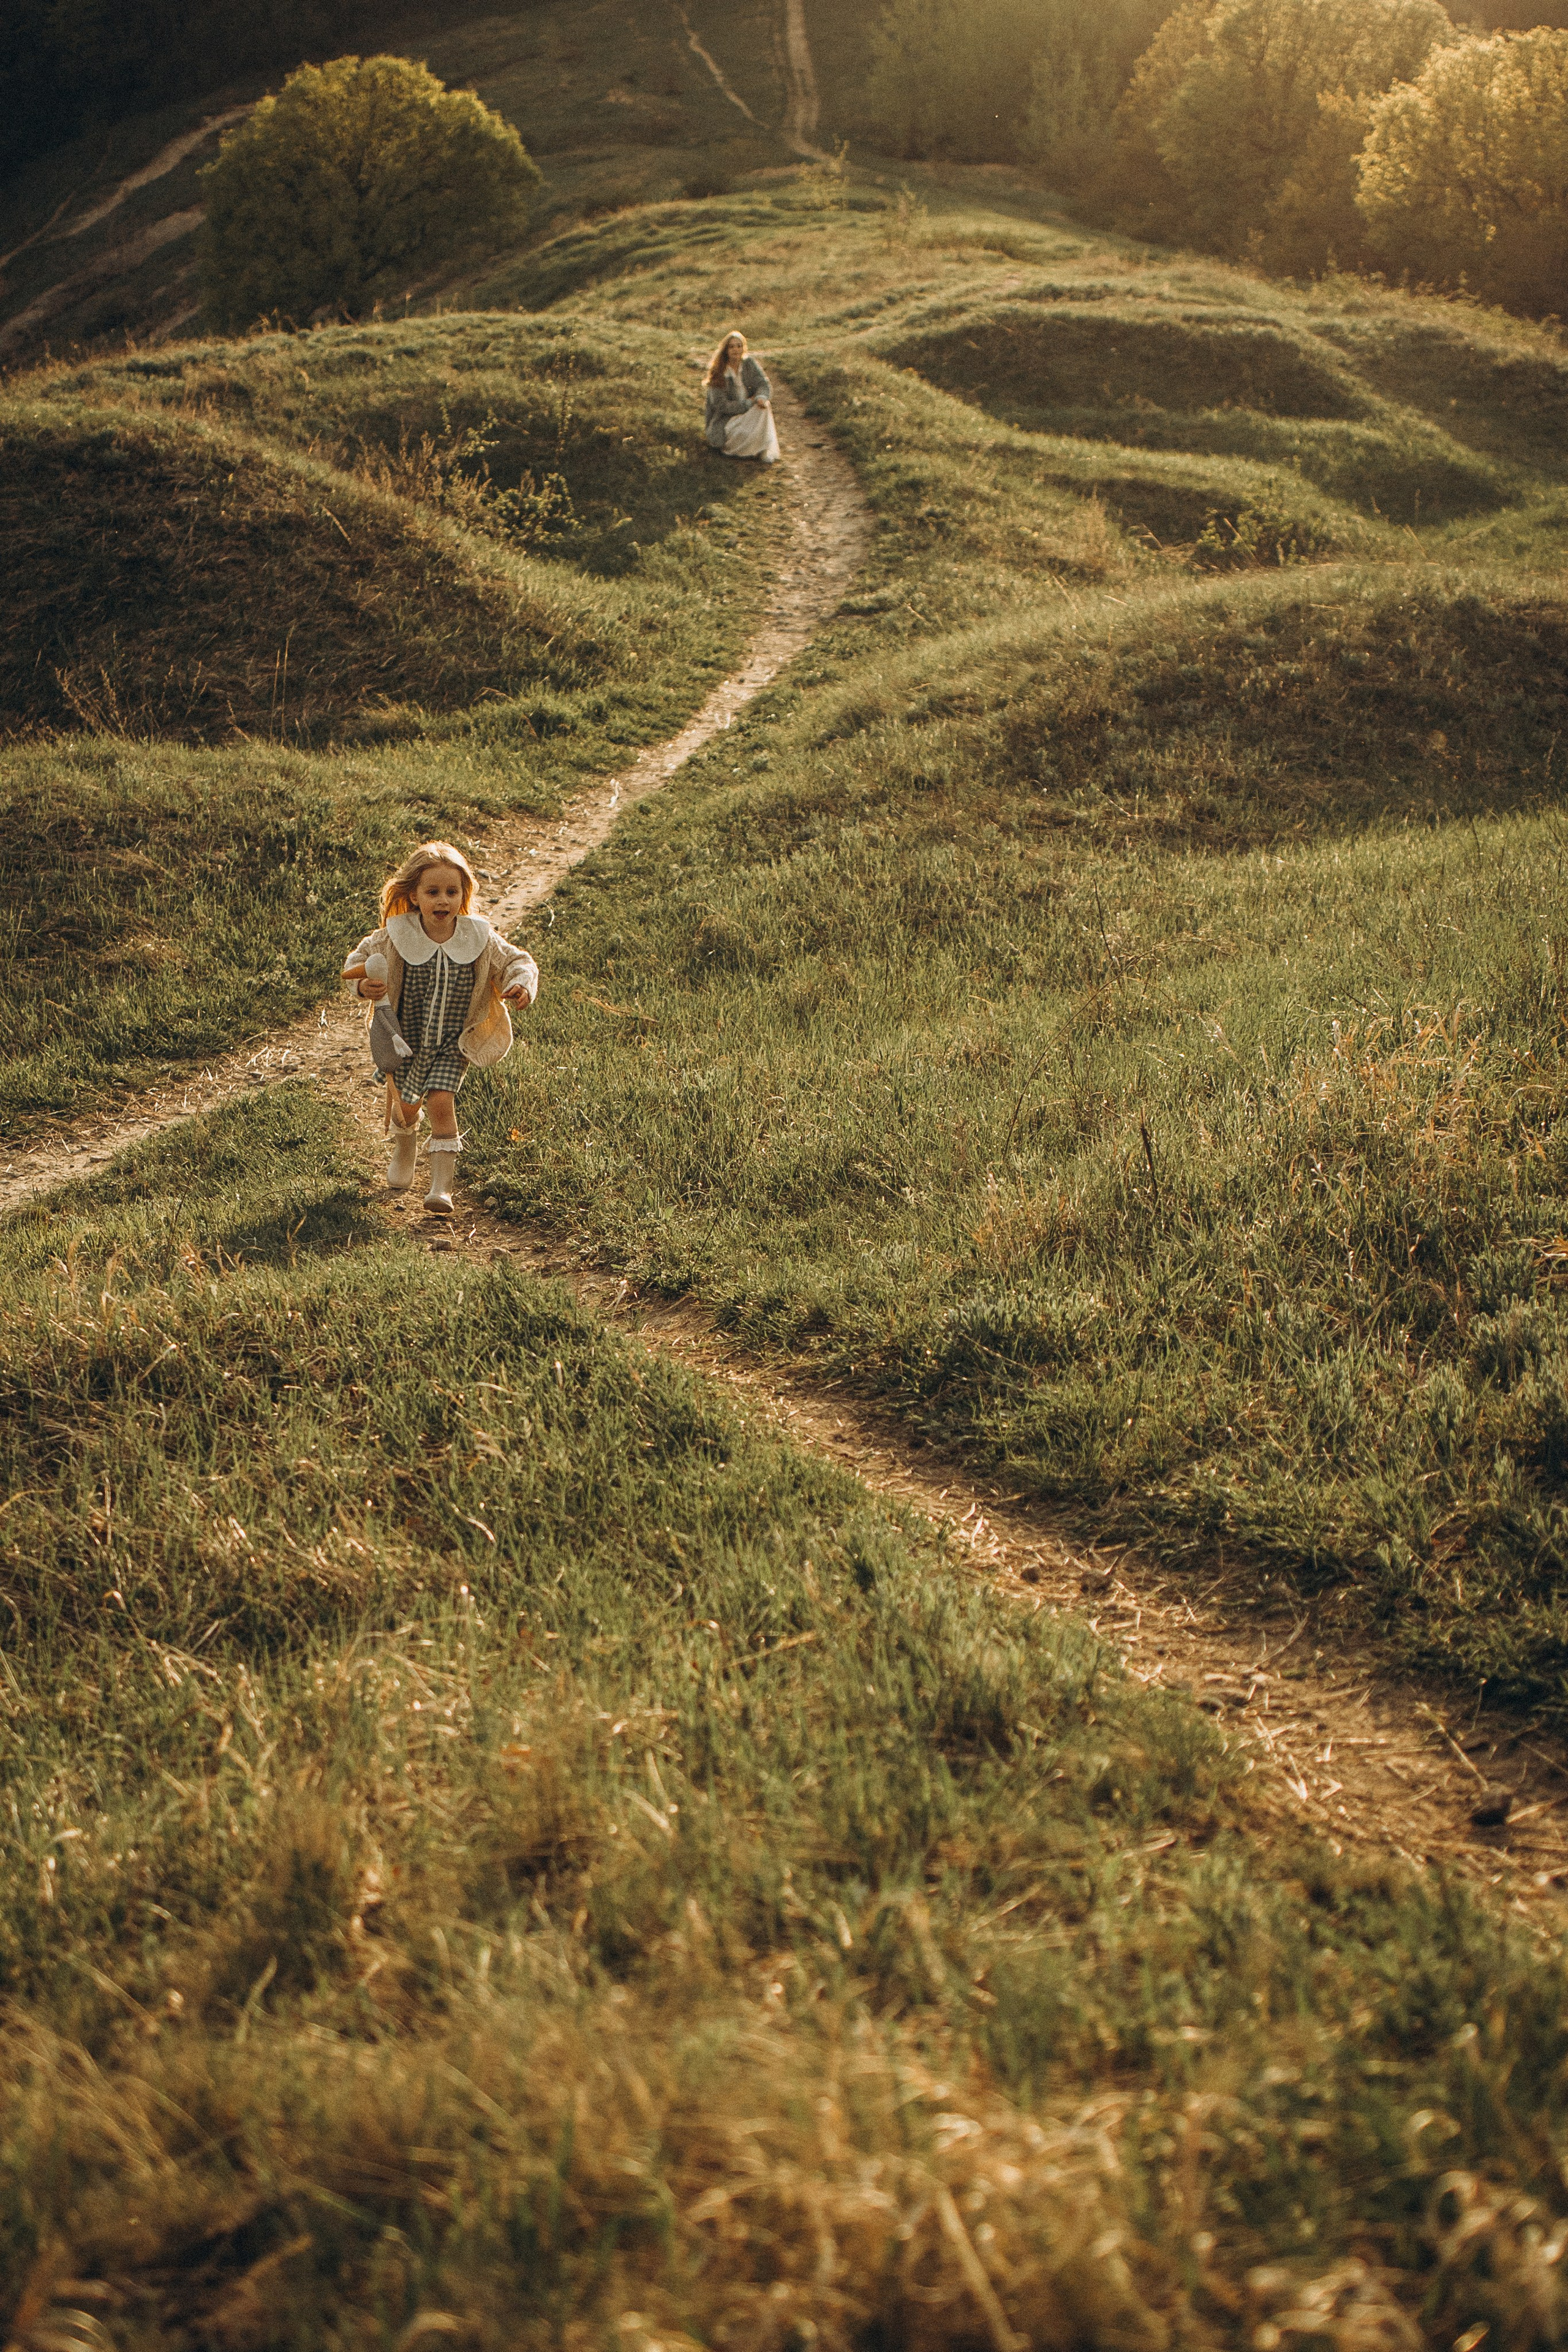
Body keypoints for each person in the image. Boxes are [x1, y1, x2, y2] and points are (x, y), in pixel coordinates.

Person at [342, 841, 538, 1216]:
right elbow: (358, 961)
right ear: (414, 896)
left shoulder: (477, 937)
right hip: (406, 1040)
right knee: (407, 1105)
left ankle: (440, 1188)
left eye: (452, 891)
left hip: (453, 1043)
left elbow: (517, 961)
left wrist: (521, 984)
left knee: (441, 1104)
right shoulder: (395, 935)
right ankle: (405, 1146)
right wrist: (362, 983)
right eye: (432, 892)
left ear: (464, 895)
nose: (443, 900)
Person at [703, 330, 780, 463]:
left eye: (739, 346)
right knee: (739, 428)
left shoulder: (749, 363)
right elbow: (721, 406)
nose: (736, 350)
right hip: (726, 419)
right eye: (732, 347)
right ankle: (741, 449)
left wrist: (761, 397)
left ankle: (762, 449)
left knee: (765, 407)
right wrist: (747, 404)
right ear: (726, 350)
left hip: (746, 413)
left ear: (743, 348)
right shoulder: (719, 372)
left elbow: (763, 383)